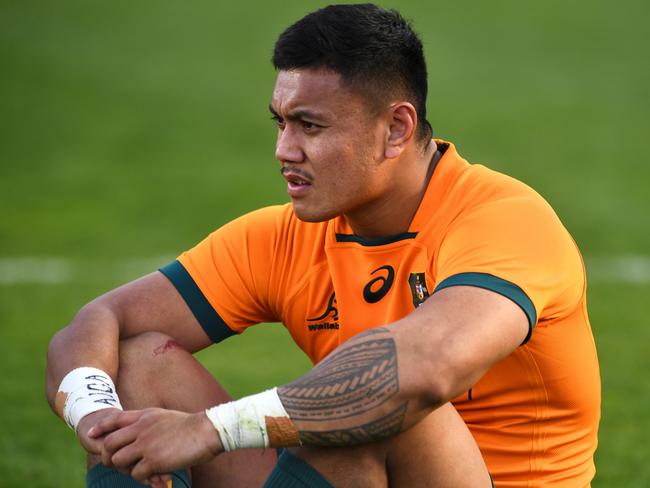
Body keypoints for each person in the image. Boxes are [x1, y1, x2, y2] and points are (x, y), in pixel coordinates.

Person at [46, 4, 601, 487]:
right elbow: (100, 320)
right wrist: (97, 418)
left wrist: (208, 429)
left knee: (379, 404)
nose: (284, 150)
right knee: (141, 362)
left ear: (397, 129)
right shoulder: (286, 234)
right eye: (280, 123)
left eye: (310, 126)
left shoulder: (505, 219)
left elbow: (425, 370)